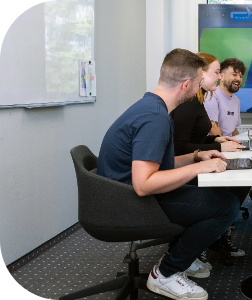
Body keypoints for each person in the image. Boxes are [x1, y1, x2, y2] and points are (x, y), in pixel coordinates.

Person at [97, 48, 239, 300]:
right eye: (197, 82)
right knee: (226, 206)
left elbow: (159, 164)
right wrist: (197, 168)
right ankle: (165, 273)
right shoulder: (155, 118)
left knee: (211, 194)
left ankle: (179, 258)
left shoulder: (150, 106)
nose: (199, 88)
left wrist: (197, 156)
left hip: (121, 193)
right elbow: (144, 184)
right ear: (186, 85)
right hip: (129, 202)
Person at [170, 53, 249, 268]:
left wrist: (215, 139)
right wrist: (217, 146)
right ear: (200, 74)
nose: (218, 76)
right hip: (180, 174)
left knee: (239, 183)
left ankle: (213, 237)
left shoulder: (199, 101)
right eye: (216, 72)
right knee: (228, 200)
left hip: (189, 166)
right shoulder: (189, 105)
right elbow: (180, 148)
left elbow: (194, 137)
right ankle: (185, 252)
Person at [204, 58, 245, 137]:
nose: (239, 79)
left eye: (240, 76)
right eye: (234, 74)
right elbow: (212, 128)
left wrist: (241, 143)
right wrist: (227, 145)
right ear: (221, 76)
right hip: (216, 146)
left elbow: (232, 130)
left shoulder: (236, 101)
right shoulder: (212, 96)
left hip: (228, 146)